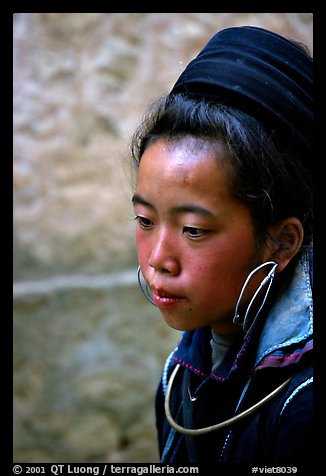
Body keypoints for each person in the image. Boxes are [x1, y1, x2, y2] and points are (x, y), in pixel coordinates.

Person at [130, 25, 313, 466]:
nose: (158, 259)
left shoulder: (304, 405)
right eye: (145, 220)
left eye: (193, 230)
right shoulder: (180, 379)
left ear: (282, 242)